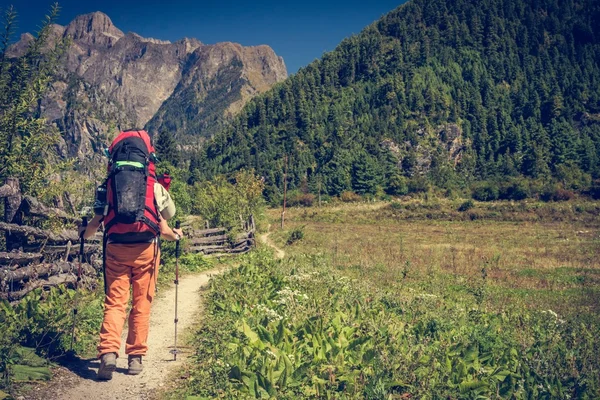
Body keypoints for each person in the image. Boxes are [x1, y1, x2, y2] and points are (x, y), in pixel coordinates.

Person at [80, 129, 183, 380]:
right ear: (147, 157)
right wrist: (176, 235)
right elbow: (167, 222)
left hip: (115, 248)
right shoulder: (153, 186)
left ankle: (108, 353)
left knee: (115, 303)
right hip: (146, 249)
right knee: (141, 303)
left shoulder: (108, 185)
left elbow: (95, 226)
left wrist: (85, 233)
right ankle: (135, 358)